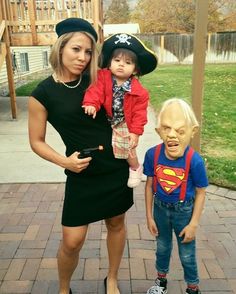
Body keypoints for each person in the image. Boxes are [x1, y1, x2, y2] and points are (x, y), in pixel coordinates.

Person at [28, 17, 134, 294]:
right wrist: (64, 162)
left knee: (116, 223)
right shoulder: (43, 94)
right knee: (72, 241)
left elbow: (132, 77)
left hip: (114, 167)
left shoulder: (100, 78)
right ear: (61, 47)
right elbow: (36, 142)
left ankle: (111, 278)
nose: (83, 57)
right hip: (80, 172)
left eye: (88, 52)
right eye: (76, 49)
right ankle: (64, 288)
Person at [143, 98, 208, 294]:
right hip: (160, 209)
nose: (172, 135)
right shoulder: (152, 155)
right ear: (158, 131)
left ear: (192, 131)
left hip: (184, 211)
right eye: (166, 129)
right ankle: (161, 281)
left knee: (187, 253)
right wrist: (149, 216)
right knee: (162, 248)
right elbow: (149, 186)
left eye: (180, 131)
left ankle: (192, 288)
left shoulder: (194, 161)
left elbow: (201, 192)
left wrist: (194, 223)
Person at [82, 33, 158, 188]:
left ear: (135, 70)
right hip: (107, 118)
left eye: (127, 62)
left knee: (127, 147)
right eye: (117, 60)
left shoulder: (140, 92)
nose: (121, 65)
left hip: (125, 121)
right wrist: (91, 103)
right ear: (109, 63)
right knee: (105, 144)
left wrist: (135, 132)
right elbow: (95, 90)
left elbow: (139, 114)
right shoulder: (103, 77)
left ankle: (135, 167)